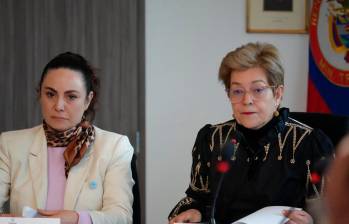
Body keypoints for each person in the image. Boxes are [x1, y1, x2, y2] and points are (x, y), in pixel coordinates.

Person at [168, 42, 334, 224]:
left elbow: (333, 211)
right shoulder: (213, 139)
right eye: (237, 91)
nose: (246, 100)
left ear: (277, 94)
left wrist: (310, 221)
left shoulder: (309, 143)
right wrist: (194, 212)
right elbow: (198, 197)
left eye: (258, 90)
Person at [0, 52, 134, 224]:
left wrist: (76, 219)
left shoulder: (114, 146)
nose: (59, 106)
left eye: (71, 97)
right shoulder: (11, 144)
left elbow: (121, 216)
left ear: (88, 100)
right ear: (40, 94)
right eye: (50, 94)